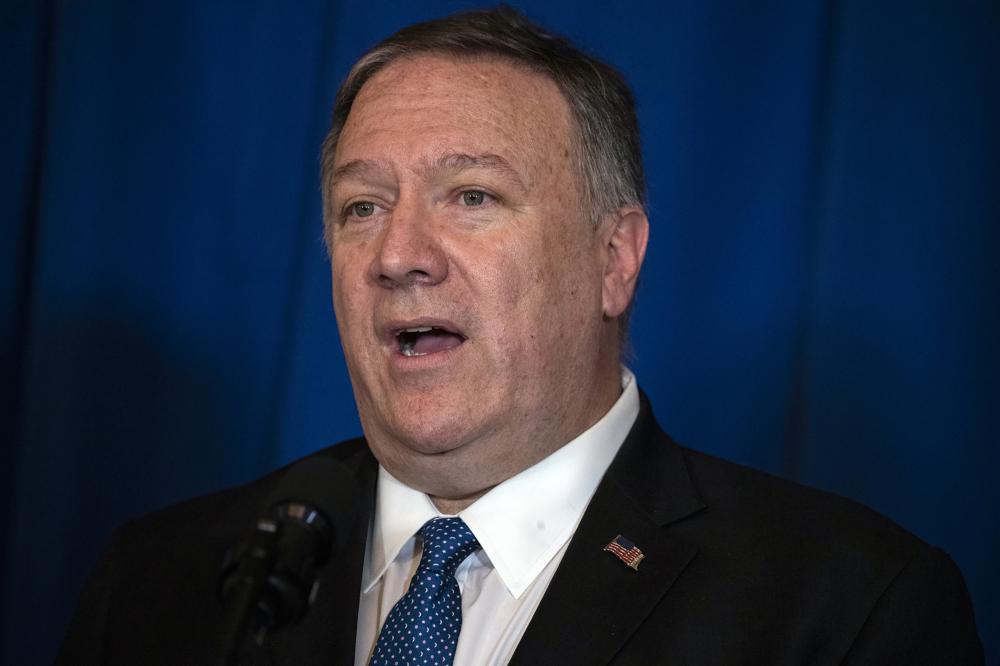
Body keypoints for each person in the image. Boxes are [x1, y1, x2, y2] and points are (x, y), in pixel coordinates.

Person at [58, 7, 984, 665]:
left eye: (472, 196)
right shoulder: (162, 583)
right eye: (362, 206)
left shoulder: (847, 610)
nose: (398, 255)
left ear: (613, 260)